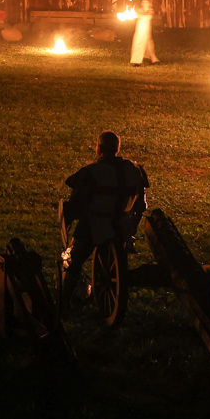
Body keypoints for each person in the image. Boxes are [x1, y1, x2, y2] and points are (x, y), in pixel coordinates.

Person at [59, 131, 149, 309]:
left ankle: (63, 302)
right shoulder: (135, 170)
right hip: (123, 226)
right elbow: (141, 205)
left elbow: (76, 206)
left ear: (99, 148)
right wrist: (131, 226)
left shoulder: (91, 173)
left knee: (73, 261)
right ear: (117, 148)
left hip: (95, 225)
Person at [129, 0, 158, 66]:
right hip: (139, 28)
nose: (144, 4)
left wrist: (141, 13)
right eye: (143, 2)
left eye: (146, 2)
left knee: (146, 43)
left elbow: (146, 13)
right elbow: (137, 13)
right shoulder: (139, 10)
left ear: (149, 4)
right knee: (139, 42)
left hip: (146, 28)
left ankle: (151, 58)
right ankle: (137, 60)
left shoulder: (151, 11)